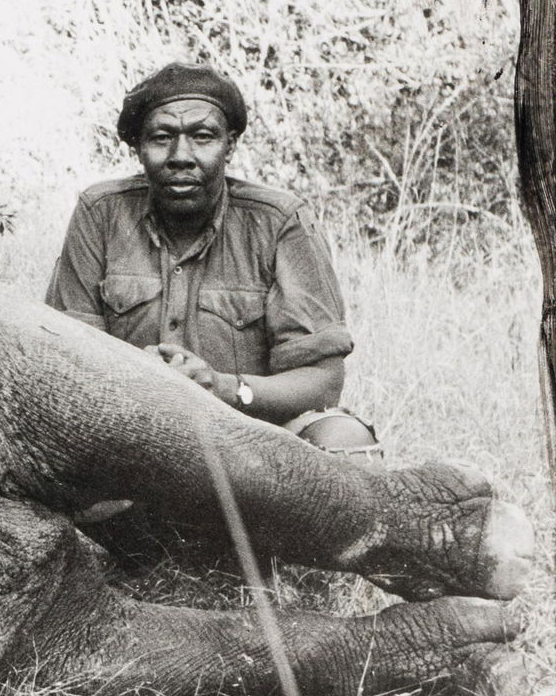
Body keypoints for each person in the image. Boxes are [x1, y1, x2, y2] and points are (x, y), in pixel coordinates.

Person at [45, 61, 379, 456]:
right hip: (128, 430)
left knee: (347, 443)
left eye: (202, 137)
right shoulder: (100, 212)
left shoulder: (280, 221)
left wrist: (222, 387)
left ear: (230, 144)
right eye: (161, 137)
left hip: (254, 436)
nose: (180, 156)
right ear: (137, 149)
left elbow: (323, 380)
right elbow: (63, 356)